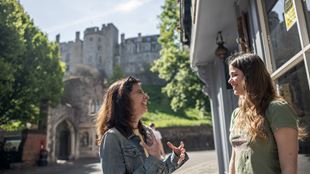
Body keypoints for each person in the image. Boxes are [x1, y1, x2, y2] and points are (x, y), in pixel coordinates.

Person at [227, 53, 305, 174]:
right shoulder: (236, 114)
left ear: (250, 76)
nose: (229, 81)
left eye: (234, 75)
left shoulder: (277, 109)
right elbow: (235, 158)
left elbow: (289, 167)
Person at [96, 76, 188, 174]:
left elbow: (157, 171)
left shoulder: (147, 131)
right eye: (139, 92)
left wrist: (175, 157)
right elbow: (152, 166)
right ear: (124, 100)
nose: (146, 96)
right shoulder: (112, 137)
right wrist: (154, 159)